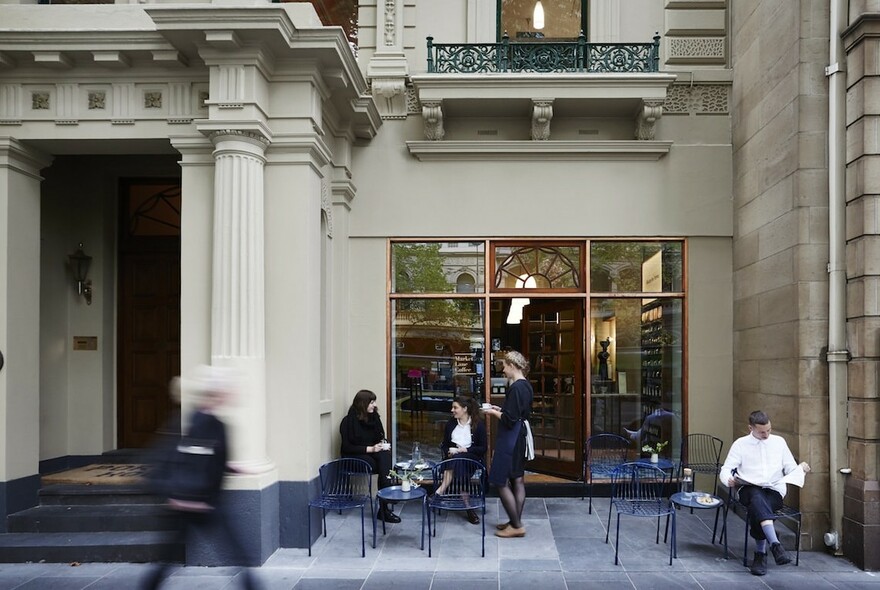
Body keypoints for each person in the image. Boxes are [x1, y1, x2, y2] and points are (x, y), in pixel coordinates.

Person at [142, 366, 261, 590]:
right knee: (237, 550)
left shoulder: (211, 421)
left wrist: (232, 466)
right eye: (228, 390)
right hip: (196, 502)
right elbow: (194, 458)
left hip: (199, 501)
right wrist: (189, 499)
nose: (234, 393)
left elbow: (207, 455)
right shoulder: (204, 421)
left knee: (169, 556)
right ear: (217, 394)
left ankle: (149, 585)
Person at [719, 410, 811, 576]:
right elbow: (726, 469)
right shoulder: (740, 444)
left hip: (773, 490)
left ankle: (761, 554)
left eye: (769, 430)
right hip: (747, 488)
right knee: (755, 495)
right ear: (750, 428)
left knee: (758, 503)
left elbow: (790, 467)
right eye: (762, 432)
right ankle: (774, 545)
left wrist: (801, 469)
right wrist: (729, 480)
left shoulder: (779, 442)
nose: (767, 434)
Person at [483, 350, 533, 538]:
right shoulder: (526, 386)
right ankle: (514, 521)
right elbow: (516, 413)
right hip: (520, 437)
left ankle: (517, 525)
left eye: (504, 366)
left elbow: (510, 419)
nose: (503, 370)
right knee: (517, 479)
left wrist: (492, 412)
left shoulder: (515, 388)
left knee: (499, 480)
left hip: (510, 440)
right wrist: (500, 409)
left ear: (512, 365)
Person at [339, 389, 399, 523]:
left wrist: (383, 444)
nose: (375, 405)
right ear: (362, 404)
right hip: (354, 456)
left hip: (374, 453)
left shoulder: (374, 418)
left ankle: (383, 508)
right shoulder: (348, 422)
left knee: (385, 457)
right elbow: (347, 447)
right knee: (377, 465)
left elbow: (381, 437)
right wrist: (371, 449)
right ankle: (386, 502)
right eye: (371, 402)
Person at [436, 395, 487, 524]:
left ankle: (439, 491)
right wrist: (448, 451)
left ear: (464, 409)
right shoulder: (451, 424)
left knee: (458, 460)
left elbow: (483, 448)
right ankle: (468, 508)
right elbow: (445, 444)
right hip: (453, 458)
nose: (452, 410)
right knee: (456, 460)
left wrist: (466, 450)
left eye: (455, 407)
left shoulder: (478, 425)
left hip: (471, 459)